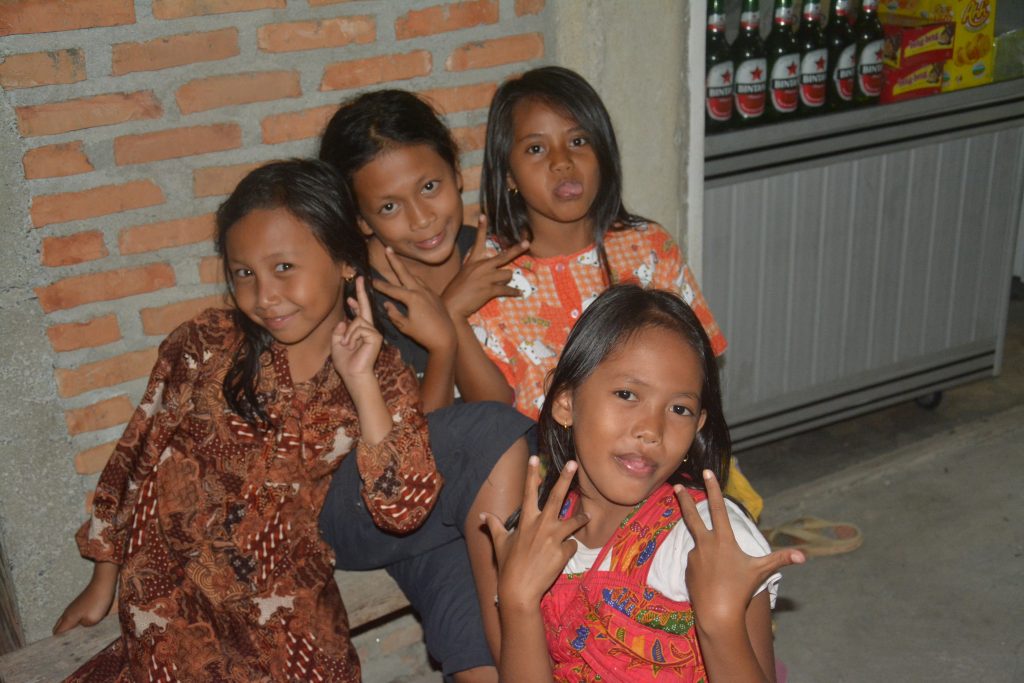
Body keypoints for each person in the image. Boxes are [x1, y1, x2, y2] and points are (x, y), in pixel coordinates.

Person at [53, 159, 443, 682]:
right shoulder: (204, 344)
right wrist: (105, 576)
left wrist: (362, 382)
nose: (265, 297)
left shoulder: (382, 371)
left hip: (281, 614)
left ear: (346, 261)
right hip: (170, 600)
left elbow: (402, 508)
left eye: (285, 267)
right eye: (244, 274)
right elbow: (138, 453)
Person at [471, 65, 762, 517]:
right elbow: (492, 414)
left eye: (578, 141)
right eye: (535, 148)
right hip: (554, 476)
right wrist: (451, 317)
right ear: (508, 173)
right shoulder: (493, 272)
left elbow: (699, 371)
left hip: (661, 460)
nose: (561, 161)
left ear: (602, 152)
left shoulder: (647, 247)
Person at [483, 285, 804, 682]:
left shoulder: (708, 543)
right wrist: (518, 603)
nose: (652, 430)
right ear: (566, 403)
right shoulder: (532, 542)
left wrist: (721, 623)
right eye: (627, 394)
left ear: (697, 426)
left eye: (679, 408)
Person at [317, 90, 533, 681]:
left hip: (464, 507)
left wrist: (452, 314)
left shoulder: (491, 256)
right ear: (361, 220)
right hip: (380, 497)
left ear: (455, 175)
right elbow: (414, 454)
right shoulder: (354, 302)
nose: (420, 218)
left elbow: (500, 418)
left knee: (464, 582)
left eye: (430, 188)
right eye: (388, 207)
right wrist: (445, 323)